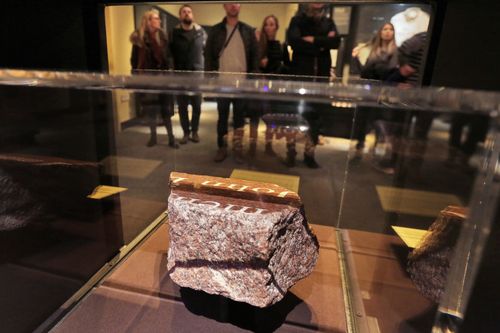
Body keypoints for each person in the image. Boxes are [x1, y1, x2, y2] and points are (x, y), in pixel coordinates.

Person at [286, 3, 340, 167]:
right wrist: (322, 44)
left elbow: (336, 42)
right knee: (296, 116)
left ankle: (310, 153)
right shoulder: (297, 21)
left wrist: (313, 40)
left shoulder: (328, 22)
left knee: (315, 118)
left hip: (320, 79)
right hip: (301, 77)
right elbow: (294, 42)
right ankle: (291, 151)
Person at [204, 3, 259, 163]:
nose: (233, 6)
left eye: (237, 3)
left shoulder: (248, 31)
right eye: (230, 3)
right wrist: (209, 78)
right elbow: (208, 55)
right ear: (224, 6)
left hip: (242, 84)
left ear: (240, 6)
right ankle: (222, 147)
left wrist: (253, 79)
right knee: (222, 117)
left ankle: (238, 148)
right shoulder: (215, 31)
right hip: (222, 83)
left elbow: (255, 56)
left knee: (239, 118)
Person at [130, 9, 178, 148]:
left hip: (163, 81)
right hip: (148, 82)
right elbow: (134, 61)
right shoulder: (139, 39)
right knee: (151, 110)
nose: (159, 21)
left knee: (166, 111)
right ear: (148, 21)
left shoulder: (163, 36)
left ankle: (171, 138)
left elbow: (168, 57)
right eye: (156, 18)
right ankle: (153, 137)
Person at [352, 23, 398, 156]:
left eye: (391, 29)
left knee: (380, 118)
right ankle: (360, 142)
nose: (388, 32)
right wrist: (355, 58)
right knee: (363, 115)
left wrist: (375, 69)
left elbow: (389, 71)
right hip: (369, 90)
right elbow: (364, 73)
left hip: (385, 91)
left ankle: (379, 143)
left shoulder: (395, 50)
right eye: (385, 29)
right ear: (380, 32)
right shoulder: (373, 50)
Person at [171, 5, 207, 144]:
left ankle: (195, 131)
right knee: (182, 107)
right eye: (184, 12)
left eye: (189, 12)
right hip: (180, 76)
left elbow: (206, 52)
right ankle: (186, 132)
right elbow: (170, 54)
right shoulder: (174, 33)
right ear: (180, 16)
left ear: (193, 15)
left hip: (197, 75)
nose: (187, 14)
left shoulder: (201, 32)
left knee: (197, 106)